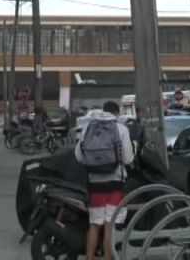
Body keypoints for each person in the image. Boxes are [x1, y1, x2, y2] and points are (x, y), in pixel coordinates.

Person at [75, 100, 134, 260]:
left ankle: (90, 258)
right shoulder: (121, 129)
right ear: (116, 113)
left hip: (95, 183)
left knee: (94, 224)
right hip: (115, 183)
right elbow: (128, 159)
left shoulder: (88, 127)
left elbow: (79, 156)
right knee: (110, 226)